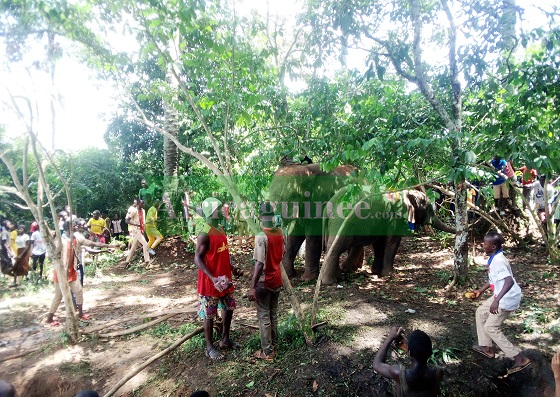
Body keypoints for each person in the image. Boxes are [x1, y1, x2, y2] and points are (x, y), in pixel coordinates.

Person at [469, 231, 531, 374]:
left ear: (494, 246)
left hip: (506, 298)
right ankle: (486, 348)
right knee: (481, 312)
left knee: (491, 327)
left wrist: (496, 301)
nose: (483, 246)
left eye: (485, 244)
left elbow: (508, 281)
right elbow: (493, 279)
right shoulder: (494, 257)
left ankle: (519, 358)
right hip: (501, 294)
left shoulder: (498, 261)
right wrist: (480, 291)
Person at [46, 220, 119, 323]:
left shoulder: (77, 238)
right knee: (58, 296)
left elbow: (92, 244)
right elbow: (52, 256)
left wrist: (109, 246)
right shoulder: (60, 241)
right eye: (74, 226)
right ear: (68, 228)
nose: (77, 226)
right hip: (61, 273)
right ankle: (49, 318)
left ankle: (80, 314)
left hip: (72, 272)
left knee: (79, 291)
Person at [194, 197, 238, 360]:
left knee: (228, 308)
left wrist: (232, 267)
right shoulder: (204, 233)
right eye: (219, 208)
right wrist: (212, 278)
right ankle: (209, 346)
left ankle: (225, 339)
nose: (222, 210)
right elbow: (197, 258)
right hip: (211, 283)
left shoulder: (219, 227)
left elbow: (222, 251)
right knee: (209, 314)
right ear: (211, 212)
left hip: (225, 280)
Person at [248, 202, 284, 360]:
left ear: (260, 216)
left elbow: (259, 263)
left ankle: (267, 352)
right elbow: (285, 251)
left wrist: (252, 286)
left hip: (265, 282)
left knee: (264, 317)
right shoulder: (279, 232)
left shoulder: (261, 236)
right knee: (273, 315)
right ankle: (274, 345)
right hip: (277, 279)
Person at [372, 327, 443, 396]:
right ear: (430, 353)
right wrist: (406, 344)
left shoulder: (398, 373)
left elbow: (377, 364)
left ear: (409, 354)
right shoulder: (438, 373)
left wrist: (390, 337)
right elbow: (419, 355)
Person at [124, 199, 151, 267]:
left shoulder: (143, 211)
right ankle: (147, 262)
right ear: (138, 204)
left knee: (133, 247)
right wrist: (135, 225)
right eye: (142, 204)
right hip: (136, 230)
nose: (143, 205)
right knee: (145, 244)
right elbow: (127, 221)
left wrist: (144, 230)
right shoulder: (134, 211)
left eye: (143, 203)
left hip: (141, 230)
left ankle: (127, 262)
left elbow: (143, 222)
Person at [1, 220, 16, 286]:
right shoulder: (4, 232)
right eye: (9, 224)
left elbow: (8, 243)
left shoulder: (8, 232)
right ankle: (13, 277)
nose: (10, 225)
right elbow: (4, 243)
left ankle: (14, 279)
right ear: (6, 225)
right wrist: (10, 252)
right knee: (8, 265)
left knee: (9, 265)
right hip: (4, 251)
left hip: (7, 250)